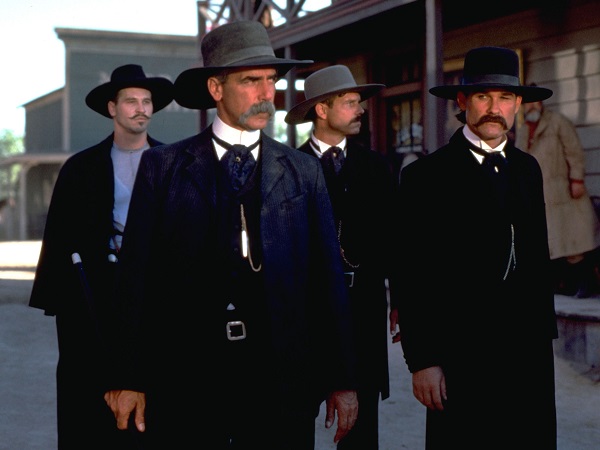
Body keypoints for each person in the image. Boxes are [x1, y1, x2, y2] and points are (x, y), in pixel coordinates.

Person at [103, 21, 359, 450]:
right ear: (216, 88)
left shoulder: (303, 170)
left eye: (271, 80)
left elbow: (327, 280)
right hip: (188, 381)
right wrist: (126, 377)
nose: (266, 93)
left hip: (281, 382)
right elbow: (135, 279)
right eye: (250, 80)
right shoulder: (164, 167)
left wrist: (343, 379)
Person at [395, 46, 559, 449]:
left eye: (505, 97)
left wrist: (543, 342)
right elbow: (411, 275)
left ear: (517, 104)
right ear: (462, 101)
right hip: (461, 354)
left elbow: (537, 262)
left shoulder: (528, 169)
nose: (494, 108)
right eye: (483, 96)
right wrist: (423, 360)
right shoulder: (425, 177)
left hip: (527, 354)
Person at [28, 64, 174, 449]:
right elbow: (60, 238)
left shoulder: (172, 163)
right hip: (95, 293)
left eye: (147, 102)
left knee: (155, 403)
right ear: (112, 108)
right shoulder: (82, 167)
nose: (141, 109)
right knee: (89, 404)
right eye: (131, 101)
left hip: (154, 294)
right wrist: (62, 303)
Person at [285, 64, 396, 450]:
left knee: (361, 431)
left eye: (358, 102)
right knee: (292, 424)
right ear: (322, 109)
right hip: (304, 315)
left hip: (363, 310)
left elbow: (394, 240)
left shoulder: (377, 167)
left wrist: (400, 301)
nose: (360, 110)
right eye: (350, 103)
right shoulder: (287, 168)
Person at [516, 90, 600, 298]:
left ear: (541, 103)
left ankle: (586, 283)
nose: (531, 106)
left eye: (535, 102)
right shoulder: (524, 130)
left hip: (563, 191)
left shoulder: (557, 122)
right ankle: (565, 285)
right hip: (541, 194)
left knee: (575, 241)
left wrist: (577, 179)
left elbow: (574, 151)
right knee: (552, 243)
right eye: (527, 103)